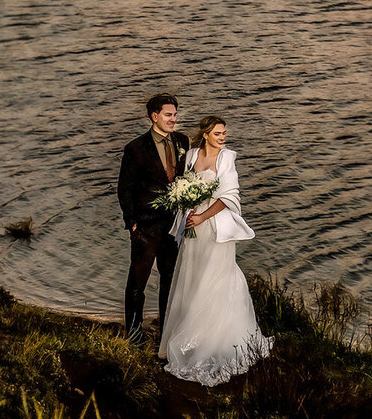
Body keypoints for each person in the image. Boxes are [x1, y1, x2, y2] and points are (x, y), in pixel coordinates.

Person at [159, 115, 273, 385]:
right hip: (193, 226)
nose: (223, 137)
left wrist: (202, 216)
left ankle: (215, 340)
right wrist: (187, 208)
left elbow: (228, 197)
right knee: (192, 278)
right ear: (206, 134)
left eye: (224, 133)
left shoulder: (226, 158)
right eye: (218, 133)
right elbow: (183, 185)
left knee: (215, 278)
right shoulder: (192, 156)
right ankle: (189, 337)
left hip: (213, 227)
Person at [117, 93, 189, 344]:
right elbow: (124, 189)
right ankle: (134, 334)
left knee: (169, 280)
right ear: (154, 116)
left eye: (175, 115)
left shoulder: (183, 141)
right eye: (168, 115)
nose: (173, 119)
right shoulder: (136, 148)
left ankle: (166, 333)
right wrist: (132, 223)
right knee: (138, 282)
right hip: (146, 226)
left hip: (174, 225)